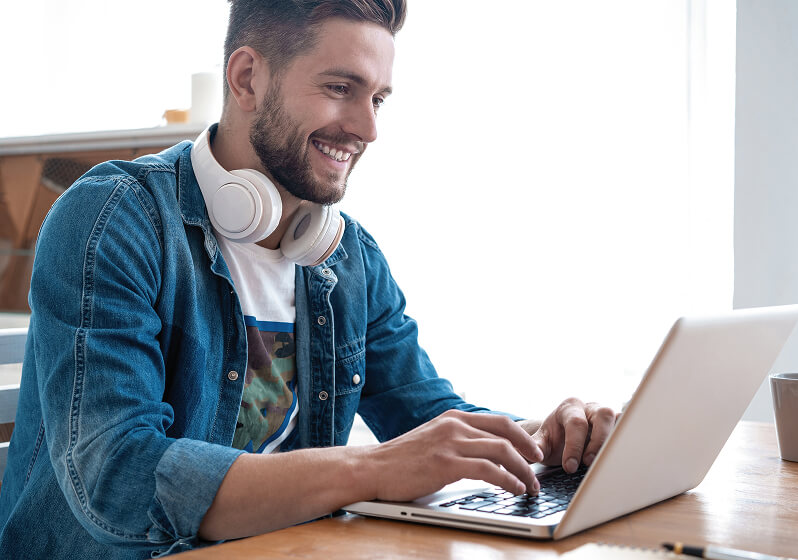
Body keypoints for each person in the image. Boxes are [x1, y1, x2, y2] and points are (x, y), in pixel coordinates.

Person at [0, 1, 616, 558]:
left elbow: (429, 421)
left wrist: (546, 436)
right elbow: (119, 478)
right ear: (247, 78)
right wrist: (370, 469)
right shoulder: (113, 219)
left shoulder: (348, 259)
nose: (368, 129)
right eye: (341, 88)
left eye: (377, 99)